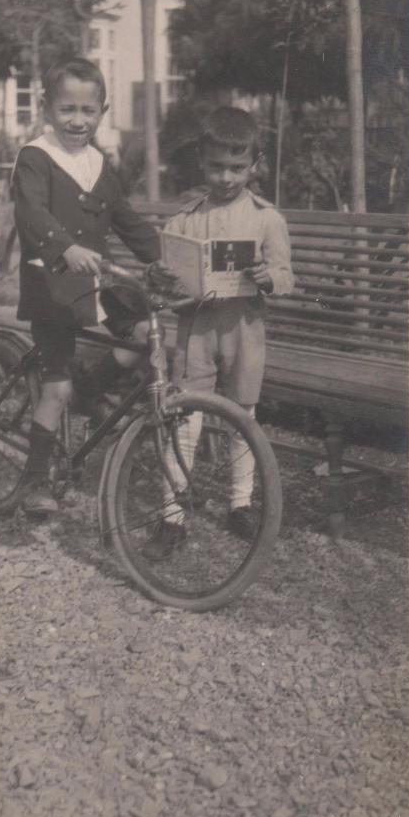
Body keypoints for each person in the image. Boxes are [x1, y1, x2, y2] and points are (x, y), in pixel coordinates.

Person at [12, 57, 161, 514]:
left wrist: (161, 258)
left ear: (102, 111)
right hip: (51, 285)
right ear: (47, 109)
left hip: (93, 285)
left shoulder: (99, 164)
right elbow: (32, 212)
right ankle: (34, 482)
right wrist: (64, 246)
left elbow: (126, 220)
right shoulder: (36, 157)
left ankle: (94, 386)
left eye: (88, 111)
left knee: (145, 338)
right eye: (67, 110)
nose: (78, 121)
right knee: (55, 390)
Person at [145, 106, 295, 559]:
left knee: (242, 418)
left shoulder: (266, 218)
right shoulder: (187, 217)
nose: (226, 177)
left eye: (237, 167)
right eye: (216, 166)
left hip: (244, 330)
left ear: (255, 164)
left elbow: (286, 275)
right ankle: (172, 517)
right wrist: (160, 276)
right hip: (196, 330)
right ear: (201, 163)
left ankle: (240, 503)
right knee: (184, 420)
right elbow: (165, 273)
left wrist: (269, 276)